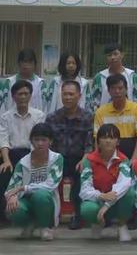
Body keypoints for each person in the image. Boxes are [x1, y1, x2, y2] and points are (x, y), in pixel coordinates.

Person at [4, 123, 63, 241]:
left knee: (41, 195)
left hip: (46, 200)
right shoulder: (23, 162)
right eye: (36, 139)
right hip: (27, 200)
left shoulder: (57, 158)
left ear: (50, 141)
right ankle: (29, 224)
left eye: (44, 140)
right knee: (12, 207)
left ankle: (46, 227)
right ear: (31, 141)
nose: (40, 143)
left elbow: (50, 185)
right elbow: (11, 188)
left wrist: (24, 188)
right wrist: (11, 196)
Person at [46, 80, 93, 230]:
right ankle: (48, 215)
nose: (68, 97)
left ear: (79, 96)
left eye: (71, 94)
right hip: (56, 159)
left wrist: (84, 160)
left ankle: (78, 215)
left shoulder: (88, 117)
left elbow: (90, 145)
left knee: (83, 171)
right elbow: (48, 143)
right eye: (65, 94)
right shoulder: (52, 117)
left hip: (79, 159)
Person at [79, 123, 135, 242]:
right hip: (97, 201)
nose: (108, 141)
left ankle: (122, 225)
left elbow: (124, 184)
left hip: (115, 204)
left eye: (112, 137)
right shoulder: (88, 160)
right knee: (86, 208)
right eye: (104, 137)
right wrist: (101, 196)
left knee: (129, 193)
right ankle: (97, 224)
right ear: (98, 142)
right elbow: (84, 190)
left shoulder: (123, 160)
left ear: (118, 142)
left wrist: (106, 205)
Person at [0, 81, 45, 222]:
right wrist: (6, 160)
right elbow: (4, 140)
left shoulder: (39, 115)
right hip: (11, 155)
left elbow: (38, 140)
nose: (23, 97)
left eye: (26, 93)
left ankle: (32, 215)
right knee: (3, 173)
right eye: (20, 94)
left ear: (31, 96)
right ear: (13, 97)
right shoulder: (5, 117)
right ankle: (4, 216)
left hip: (32, 153)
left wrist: (31, 159)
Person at [93, 74, 137, 160]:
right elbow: (97, 138)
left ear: (126, 90)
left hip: (131, 155)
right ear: (109, 91)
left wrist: (133, 160)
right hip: (107, 157)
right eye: (113, 88)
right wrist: (98, 160)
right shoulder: (100, 112)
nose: (117, 91)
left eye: (120, 88)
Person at [88, 43, 137, 111]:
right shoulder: (99, 77)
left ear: (122, 55)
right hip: (105, 118)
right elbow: (94, 103)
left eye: (115, 54)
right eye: (109, 55)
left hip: (128, 119)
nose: (113, 57)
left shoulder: (132, 76)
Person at [0, 49, 46, 114]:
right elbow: (2, 107)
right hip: (11, 121)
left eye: (30, 62)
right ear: (19, 63)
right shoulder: (9, 82)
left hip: (35, 121)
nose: (26, 65)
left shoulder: (41, 83)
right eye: (24, 62)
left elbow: (45, 107)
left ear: (35, 65)